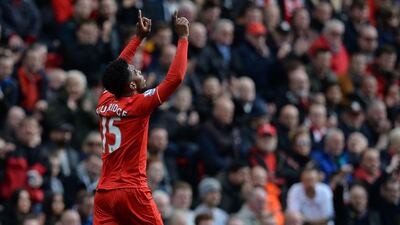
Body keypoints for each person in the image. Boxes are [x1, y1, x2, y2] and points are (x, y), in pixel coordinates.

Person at [93, 10, 189, 225]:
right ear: (132, 85)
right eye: (136, 71)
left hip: (104, 193)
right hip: (132, 190)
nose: (139, 70)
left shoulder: (105, 99)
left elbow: (116, 70)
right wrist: (183, 38)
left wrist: (138, 39)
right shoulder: (139, 104)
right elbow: (175, 79)